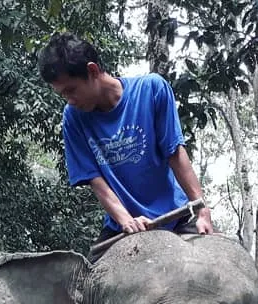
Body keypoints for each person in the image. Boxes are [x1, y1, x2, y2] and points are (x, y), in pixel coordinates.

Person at [38, 32, 213, 261]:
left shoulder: (151, 90)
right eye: (62, 95)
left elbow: (175, 153)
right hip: (122, 224)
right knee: (83, 290)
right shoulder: (73, 117)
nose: (70, 100)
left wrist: (200, 207)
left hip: (175, 216)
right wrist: (126, 221)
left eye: (71, 90)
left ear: (92, 71)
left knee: (221, 270)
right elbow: (94, 179)